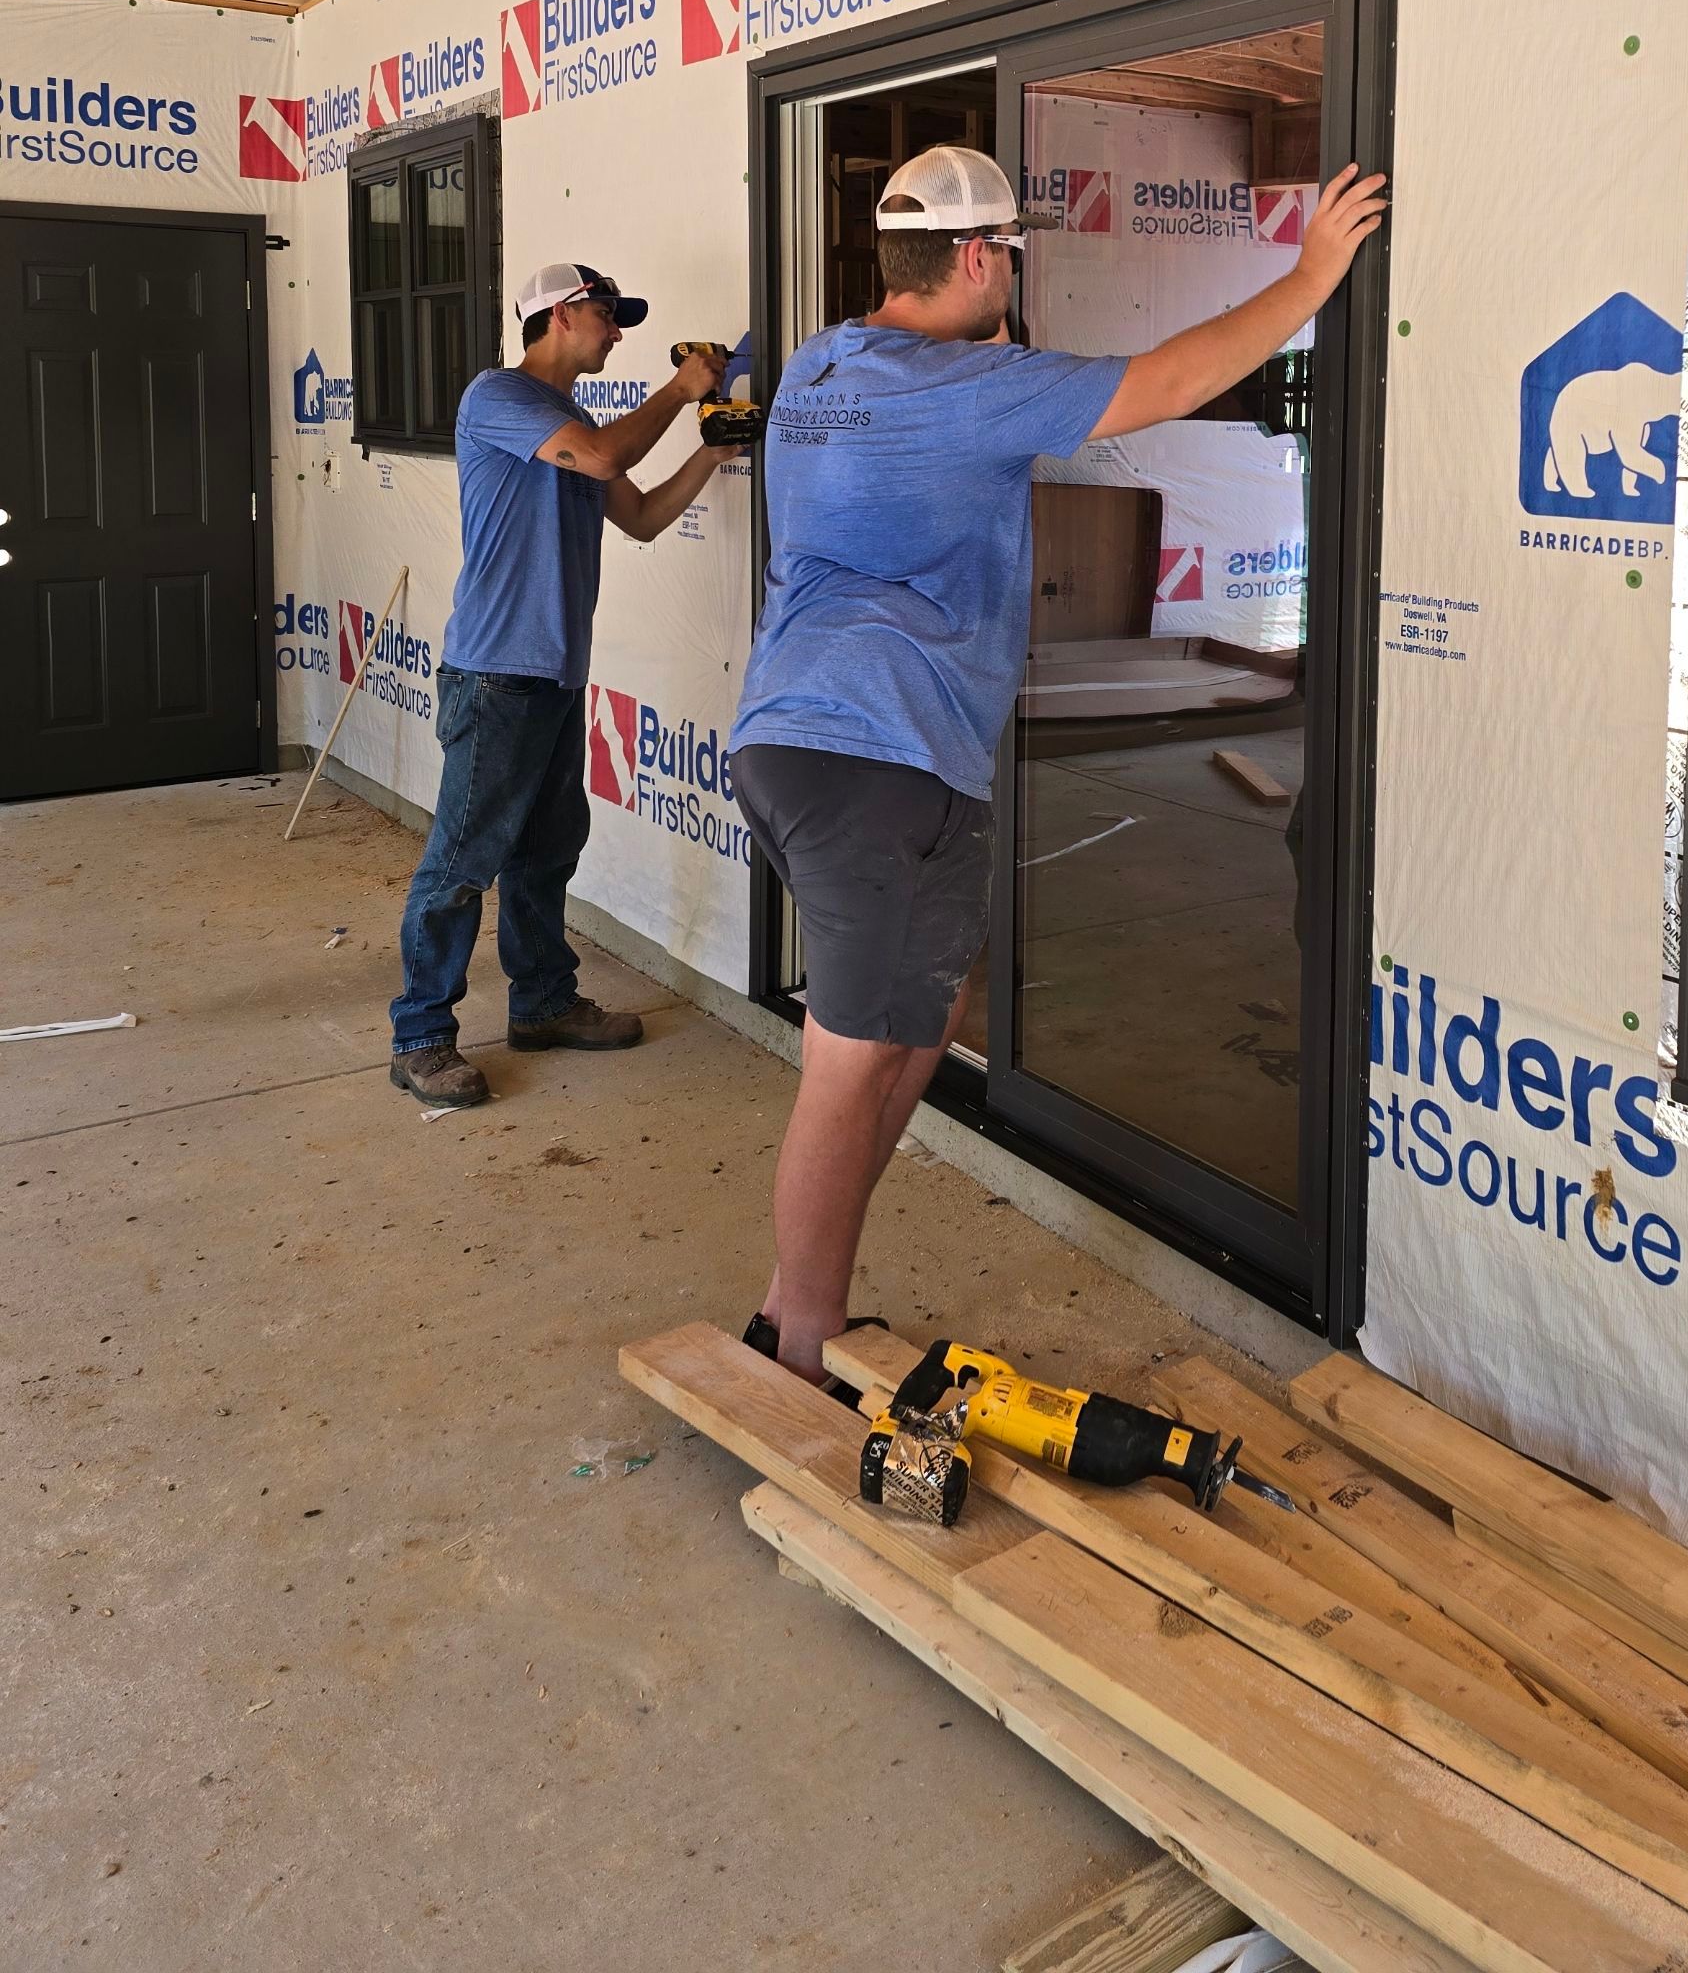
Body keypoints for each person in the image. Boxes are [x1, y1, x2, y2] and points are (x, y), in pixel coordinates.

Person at [729, 143, 1387, 1382]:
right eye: (1012, 262)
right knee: (851, 1052)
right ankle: (799, 1342)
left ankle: (802, 1295)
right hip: (858, 753)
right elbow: (1170, 377)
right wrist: (1310, 279)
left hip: (868, 747)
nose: (1016, 287)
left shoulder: (821, 364)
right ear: (979, 258)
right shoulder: (963, 387)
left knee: (916, 1030)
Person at [385, 261, 724, 1107]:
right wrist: (682, 393)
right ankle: (421, 1036)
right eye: (609, 316)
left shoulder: (571, 421)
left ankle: (541, 1003)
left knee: (544, 854)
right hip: (497, 673)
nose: (617, 333)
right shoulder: (499, 398)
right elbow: (610, 456)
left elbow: (641, 517)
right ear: (563, 315)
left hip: (554, 675)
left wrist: (712, 451)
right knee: (462, 864)